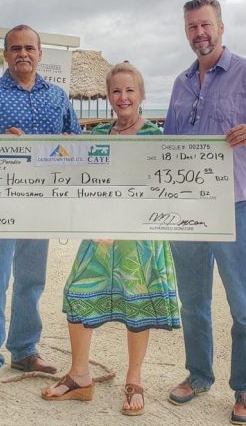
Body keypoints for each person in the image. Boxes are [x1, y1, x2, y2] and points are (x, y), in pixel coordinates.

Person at [165, 0, 246, 424]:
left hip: (237, 205)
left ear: (221, 27)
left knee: (243, 304)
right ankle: (199, 375)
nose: (199, 33)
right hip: (188, 208)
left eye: (205, 25)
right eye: (192, 27)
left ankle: (245, 389)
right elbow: (169, 145)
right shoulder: (181, 83)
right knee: (192, 302)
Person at [41, 62, 181, 416]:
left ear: (141, 94)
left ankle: (134, 379)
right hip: (100, 234)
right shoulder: (99, 134)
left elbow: (167, 189)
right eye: (116, 91)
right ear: (108, 96)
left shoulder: (156, 137)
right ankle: (80, 376)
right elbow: (74, 173)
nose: (123, 97)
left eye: (129, 90)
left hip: (139, 237)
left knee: (137, 303)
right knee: (77, 293)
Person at [0, 24, 81, 396]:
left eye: (29, 48)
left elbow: (75, 142)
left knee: (31, 280)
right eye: (15, 48)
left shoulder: (58, 97)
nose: (23, 54)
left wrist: (68, 144)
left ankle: (24, 350)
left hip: (41, 202)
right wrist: (1, 141)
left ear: (40, 53)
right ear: (5, 55)